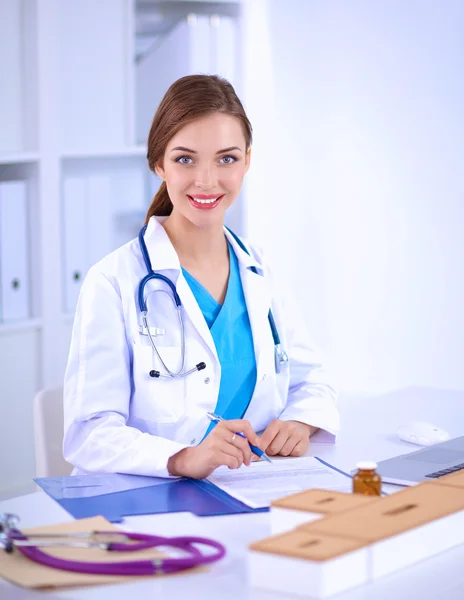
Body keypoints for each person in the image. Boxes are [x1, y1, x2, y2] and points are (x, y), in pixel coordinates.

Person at [63, 74, 339, 480]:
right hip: (148, 501)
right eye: (185, 159)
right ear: (159, 164)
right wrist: (181, 457)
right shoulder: (112, 281)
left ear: (247, 160)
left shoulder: (258, 269)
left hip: (252, 487)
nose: (206, 181)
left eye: (226, 159)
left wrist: (301, 423)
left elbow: (312, 381)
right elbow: (89, 432)